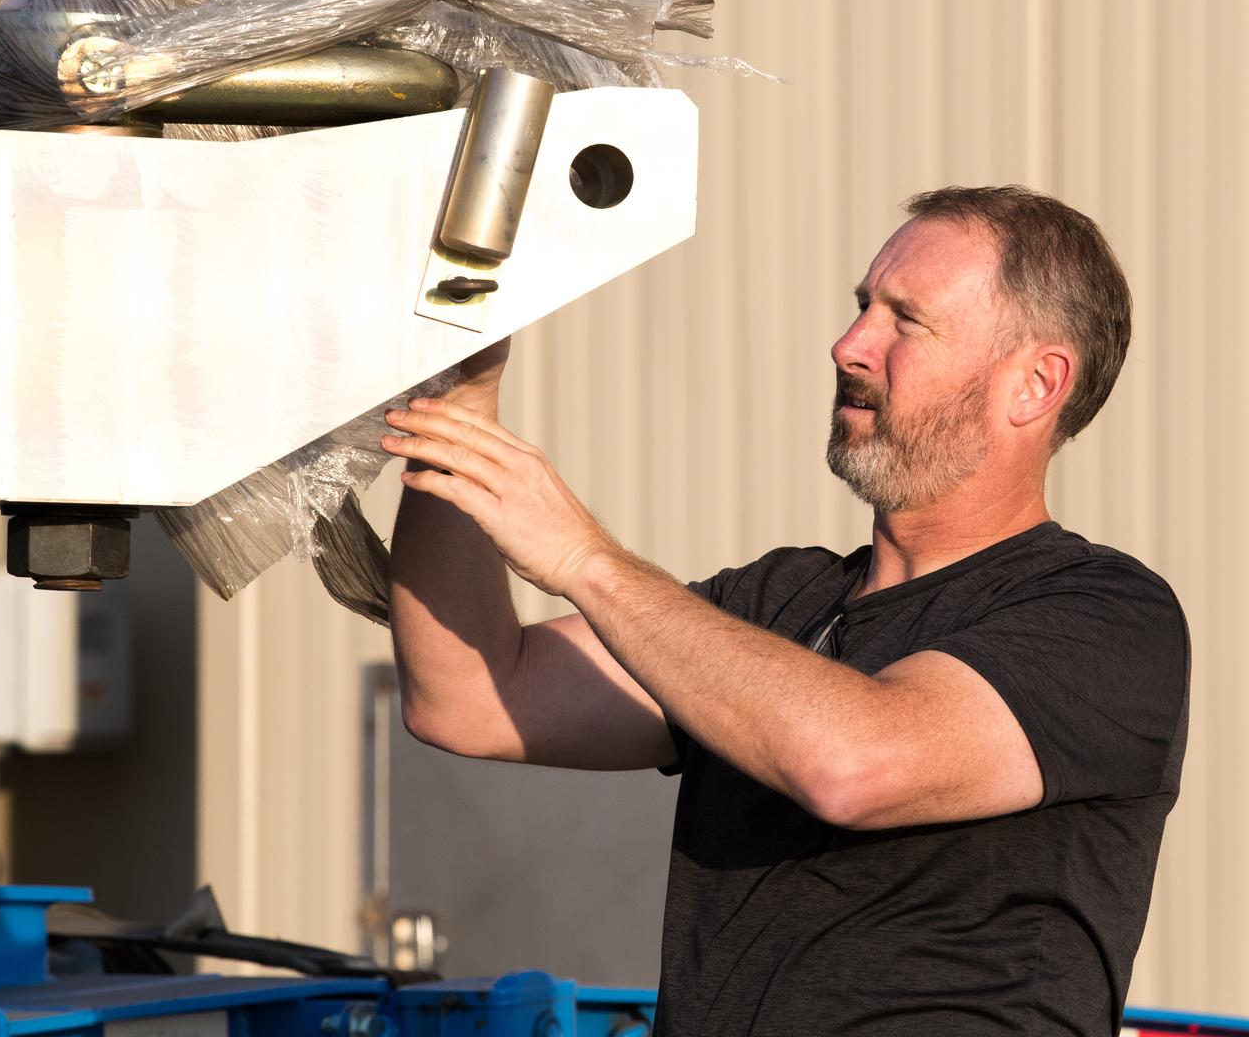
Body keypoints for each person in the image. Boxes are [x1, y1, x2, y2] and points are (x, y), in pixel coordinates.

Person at [381, 186, 1188, 1036]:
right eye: (859, 308)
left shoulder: (1106, 616)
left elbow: (853, 765)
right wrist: (454, 411)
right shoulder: (779, 603)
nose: (849, 346)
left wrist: (587, 561)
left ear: (1036, 384)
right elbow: (466, 698)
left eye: (905, 321)